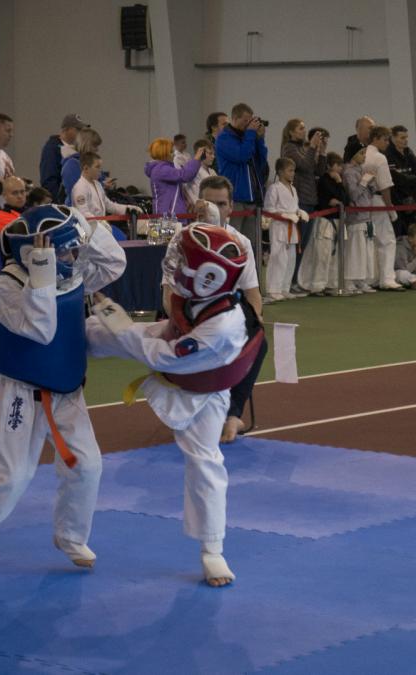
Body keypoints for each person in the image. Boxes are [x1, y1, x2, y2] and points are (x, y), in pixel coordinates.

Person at [0, 205, 125, 583]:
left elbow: (113, 264)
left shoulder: (72, 273)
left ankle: (71, 536)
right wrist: (41, 271)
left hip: (66, 391)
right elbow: (40, 330)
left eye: (74, 250)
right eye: (67, 251)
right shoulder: (9, 284)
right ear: (37, 253)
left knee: (87, 465)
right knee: (8, 475)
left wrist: (84, 224)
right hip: (20, 392)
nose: (74, 257)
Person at [87, 223, 263, 586]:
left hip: (205, 389)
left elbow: (161, 356)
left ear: (210, 276)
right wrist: (103, 317)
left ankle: (212, 551)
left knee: (205, 462)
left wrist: (115, 320)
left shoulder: (223, 328)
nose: (179, 267)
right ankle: (65, 340)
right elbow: (163, 329)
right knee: (99, 330)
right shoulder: (200, 296)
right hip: (176, 347)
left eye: (186, 263)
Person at [167, 175, 265, 443]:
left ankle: (233, 414)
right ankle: (187, 408)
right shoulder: (181, 239)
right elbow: (168, 296)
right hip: (185, 314)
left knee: (258, 341)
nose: (214, 209)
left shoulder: (240, 242)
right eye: (208, 202)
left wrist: (253, 323)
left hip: (225, 316)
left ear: (231, 207)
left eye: (221, 204)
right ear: (198, 205)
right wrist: (186, 326)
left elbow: (253, 295)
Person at [280, 120, 327, 292]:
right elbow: (304, 166)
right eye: (300, 128)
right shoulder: (289, 148)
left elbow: (319, 171)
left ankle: (294, 280)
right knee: (296, 244)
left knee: (303, 244)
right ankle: (288, 282)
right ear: (291, 132)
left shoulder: (304, 149)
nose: (304, 131)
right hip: (299, 200)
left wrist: (322, 152)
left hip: (309, 199)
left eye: (304, 128)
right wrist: (312, 147)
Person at [215, 103, 268, 247]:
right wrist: (250, 134)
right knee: (233, 243)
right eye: (245, 120)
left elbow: (261, 163)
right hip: (235, 198)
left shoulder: (247, 138)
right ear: (235, 119)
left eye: (250, 120)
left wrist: (260, 139)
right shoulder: (224, 138)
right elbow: (241, 155)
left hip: (252, 199)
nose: (248, 124)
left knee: (250, 245)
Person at [300, 152, 349, 295]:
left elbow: (345, 200)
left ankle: (331, 284)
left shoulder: (339, 181)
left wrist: (339, 182)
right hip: (325, 221)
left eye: (341, 166)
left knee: (335, 256)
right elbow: (327, 200)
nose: (340, 168)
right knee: (322, 255)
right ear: (330, 166)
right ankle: (317, 285)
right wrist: (336, 199)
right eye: (338, 165)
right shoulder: (323, 181)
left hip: (338, 220)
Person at [364, 126, 404, 291]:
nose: (388, 143)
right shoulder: (379, 157)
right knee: (387, 240)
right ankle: (387, 279)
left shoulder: (362, 154)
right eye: (385, 139)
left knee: (370, 241)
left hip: (363, 201)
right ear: (376, 138)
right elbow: (385, 186)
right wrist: (390, 208)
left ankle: (371, 278)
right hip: (378, 200)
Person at [263, 157, 308, 301]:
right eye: (290, 170)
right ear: (281, 172)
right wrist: (285, 215)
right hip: (279, 227)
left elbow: (294, 207)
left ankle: (284, 288)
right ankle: (273, 289)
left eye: (293, 171)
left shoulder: (293, 188)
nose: (293, 173)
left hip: (292, 226)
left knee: (290, 259)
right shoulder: (274, 188)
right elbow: (269, 209)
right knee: (278, 258)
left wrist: (299, 212)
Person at [71, 152, 140, 235]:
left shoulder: (98, 184)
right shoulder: (80, 188)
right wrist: (100, 223)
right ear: (86, 168)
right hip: (89, 232)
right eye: (97, 167)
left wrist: (128, 209)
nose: (100, 170)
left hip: (100, 229)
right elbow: (83, 213)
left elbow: (109, 205)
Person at [344, 146, 378, 293]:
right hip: (356, 217)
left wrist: (371, 182)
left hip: (367, 216)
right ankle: (349, 280)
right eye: (361, 153)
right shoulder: (348, 172)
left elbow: (370, 194)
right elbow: (353, 195)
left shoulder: (361, 170)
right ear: (353, 155)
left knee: (365, 252)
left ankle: (361, 280)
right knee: (355, 251)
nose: (364, 156)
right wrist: (364, 181)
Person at [145, 138, 203, 218]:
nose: (174, 154)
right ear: (164, 153)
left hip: (169, 213)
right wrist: (196, 159)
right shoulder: (161, 169)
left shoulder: (161, 169)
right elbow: (184, 175)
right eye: (171, 152)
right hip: (169, 215)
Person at [385, 125, 416, 237]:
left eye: (406, 137)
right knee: (400, 236)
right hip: (398, 205)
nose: (406, 140)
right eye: (402, 138)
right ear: (393, 138)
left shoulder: (409, 153)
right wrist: (410, 179)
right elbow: (395, 181)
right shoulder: (388, 155)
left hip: (413, 203)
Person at [40, 114, 87, 201]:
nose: (81, 133)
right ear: (66, 129)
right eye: (78, 129)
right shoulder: (51, 149)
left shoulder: (78, 149)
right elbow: (49, 180)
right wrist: (59, 202)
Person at [0, 176, 28, 243]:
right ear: (4, 196)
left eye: (22, 192)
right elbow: (25, 236)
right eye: (15, 193)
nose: (20, 196)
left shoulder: (31, 211)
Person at [184, 139, 216, 207]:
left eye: (214, 154)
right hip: (199, 208)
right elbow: (185, 187)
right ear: (201, 153)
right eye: (210, 153)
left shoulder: (212, 171)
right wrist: (192, 202)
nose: (213, 157)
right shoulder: (192, 171)